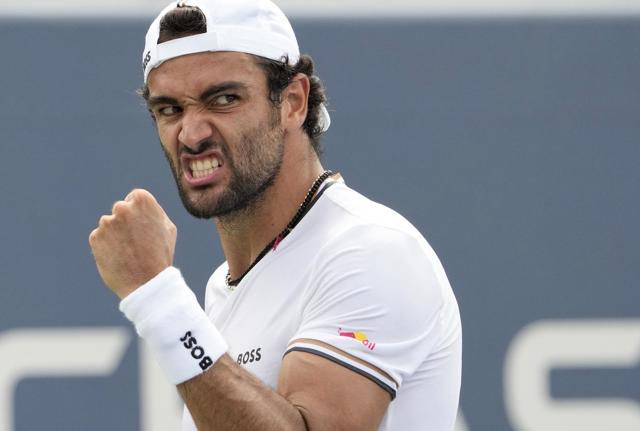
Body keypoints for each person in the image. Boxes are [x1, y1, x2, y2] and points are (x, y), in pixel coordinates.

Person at [88, 0, 462, 429]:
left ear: (293, 101)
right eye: (169, 109)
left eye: (224, 99)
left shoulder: (370, 251)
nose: (191, 134)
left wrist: (157, 298)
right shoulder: (223, 287)